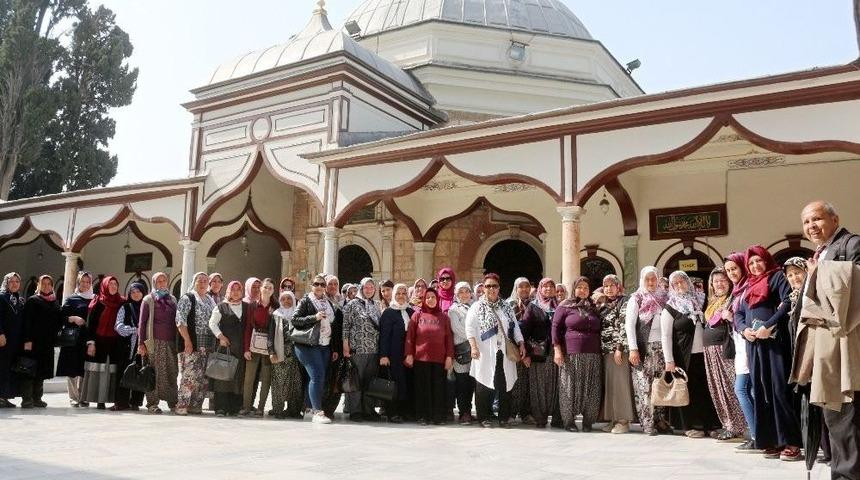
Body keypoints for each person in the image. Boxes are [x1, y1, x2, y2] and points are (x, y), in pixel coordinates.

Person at [790, 201, 860, 478]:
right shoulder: (822, 252)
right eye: (806, 222)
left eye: (817, 219)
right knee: (834, 416)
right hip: (826, 346)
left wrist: (818, 272)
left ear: (835, 219)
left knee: (845, 414)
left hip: (845, 345)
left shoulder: (851, 244)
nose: (811, 226)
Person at [735, 245, 802, 461]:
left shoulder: (776, 278)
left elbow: (787, 302)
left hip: (774, 343)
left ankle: (791, 442)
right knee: (761, 391)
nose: (755, 265)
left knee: (779, 390)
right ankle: (771, 440)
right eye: (751, 263)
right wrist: (743, 329)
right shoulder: (747, 285)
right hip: (754, 345)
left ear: (766, 260)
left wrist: (768, 325)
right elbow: (738, 313)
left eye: (759, 261)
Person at [661, 270, 720, 438]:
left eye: (682, 281)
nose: (680, 285)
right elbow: (666, 336)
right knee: (688, 391)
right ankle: (690, 425)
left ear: (688, 282)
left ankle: (711, 425)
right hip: (683, 357)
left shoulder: (700, 301)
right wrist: (669, 360)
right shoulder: (670, 307)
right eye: (676, 283)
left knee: (707, 390)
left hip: (705, 355)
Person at [466, 273, 526, 428]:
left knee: (505, 384)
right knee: (483, 383)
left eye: (494, 286)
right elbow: (470, 328)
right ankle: (484, 417)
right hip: (485, 352)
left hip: (504, 352)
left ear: (499, 288)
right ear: (483, 288)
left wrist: (521, 343)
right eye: (488, 286)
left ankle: (503, 418)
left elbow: (515, 327)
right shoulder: (477, 307)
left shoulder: (506, 306)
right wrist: (473, 347)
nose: (491, 289)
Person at [701, 267, 747, 442]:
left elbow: (739, 321)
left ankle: (737, 427)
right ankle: (728, 424)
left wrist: (730, 317)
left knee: (729, 387)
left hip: (724, 348)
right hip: (710, 350)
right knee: (717, 389)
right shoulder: (713, 302)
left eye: (723, 280)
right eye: (716, 281)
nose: (719, 284)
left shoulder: (733, 299)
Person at [625, 266, 671, 435]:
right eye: (647, 279)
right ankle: (647, 422)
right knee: (645, 386)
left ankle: (660, 420)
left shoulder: (665, 297)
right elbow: (629, 325)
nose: (651, 282)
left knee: (660, 384)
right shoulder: (636, 298)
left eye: (654, 279)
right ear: (642, 280)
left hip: (662, 348)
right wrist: (633, 348)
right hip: (643, 349)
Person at [553, 276, 602, 432]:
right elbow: (555, 327)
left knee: (592, 387)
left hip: (593, 354)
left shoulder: (594, 307)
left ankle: (588, 421)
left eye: (586, 288)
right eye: (579, 287)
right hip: (571, 354)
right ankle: (569, 421)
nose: (583, 290)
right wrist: (557, 349)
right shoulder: (565, 306)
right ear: (574, 289)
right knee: (569, 387)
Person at [723, 252, 759, 453]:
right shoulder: (737, 290)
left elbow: (745, 317)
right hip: (739, 345)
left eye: (734, 268)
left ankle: (756, 436)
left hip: (748, 344)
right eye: (728, 270)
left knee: (741, 389)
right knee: (749, 391)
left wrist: (731, 318)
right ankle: (757, 434)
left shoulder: (747, 288)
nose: (731, 273)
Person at [405, 288, 454, 425]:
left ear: (437, 299)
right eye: (428, 297)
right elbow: (410, 337)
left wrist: (449, 356)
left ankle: (438, 416)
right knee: (422, 388)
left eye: (433, 297)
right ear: (424, 300)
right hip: (421, 359)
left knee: (438, 388)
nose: (430, 300)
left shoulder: (444, 317)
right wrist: (409, 354)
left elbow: (449, 338)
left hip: (439, 359)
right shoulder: (417, 315)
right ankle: (422, 416)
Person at [292, 274, 335, 424]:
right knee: (317, 376)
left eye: (322, 285)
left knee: (315, 378)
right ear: (311, 286)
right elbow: (295, 320)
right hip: (307, 344)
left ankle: (309, 409)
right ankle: (317, 412)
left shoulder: (328, 303)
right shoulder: (306, 300)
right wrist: (314, 317)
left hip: (324, 344)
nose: (319, 287)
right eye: (316, 284)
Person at [596, 274, 634, 434]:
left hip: (618, 351)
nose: (609, 289)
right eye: (606, 286)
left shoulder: (624, 301)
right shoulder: (605, 305)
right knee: (611, 385)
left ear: (618, 287)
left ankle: (623, 420)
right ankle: (613, 418)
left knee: (620, 385)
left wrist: (619, 348)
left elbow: (624, 325)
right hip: (606, 351)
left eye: (612, 285)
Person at [175, 272, 217, 416]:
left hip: (208, 344)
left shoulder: (210, 300)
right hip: (192, 342)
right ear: (194, 282)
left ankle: (195, 405)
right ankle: (182, 405)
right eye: (200, 280)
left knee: (203, 377)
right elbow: (180, 321)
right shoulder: (188, 298)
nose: (203, 283)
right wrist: (187, 340)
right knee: (189, 375)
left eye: (206, 281)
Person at [138, 272, 178, 414]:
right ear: (154, 283)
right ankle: (152, 403)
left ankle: (173, 401)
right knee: (153, 372)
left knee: (171, 372)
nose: (162, 283)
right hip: (153, 343)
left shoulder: (172, 299)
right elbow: (142, 323)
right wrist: (141, 344)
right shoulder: (148, 299)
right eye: (158, 281)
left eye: (164, 280)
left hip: (170, 342)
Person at [521, 277, 559, 429]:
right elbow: (524, 331)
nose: (548, 289)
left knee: (555, 385)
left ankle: (556, 418)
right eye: (545, 286)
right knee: (539, 386)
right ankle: (540, 418)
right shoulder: (533, 307)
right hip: (538, 354)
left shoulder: (559, 306)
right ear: (540, 289)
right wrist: (526, 354)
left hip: (554, 353)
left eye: (551, 286)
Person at [343, 277, 382, 422]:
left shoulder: (376, 305)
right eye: (366, 287)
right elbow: (346, 326)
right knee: (355, 381)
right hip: (357, 349)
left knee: (370, 381)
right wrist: (345, 346)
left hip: (373, 349)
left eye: (372, 287)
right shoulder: (352, 304)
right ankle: (355, 411)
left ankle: (368, 410)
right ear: (361, 288)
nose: (369, 289)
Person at [83, 276, 125, 409]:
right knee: (98, 370)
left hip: (116, 342)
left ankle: (113, 398)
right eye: (110, 284)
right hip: (99, 341)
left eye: (115, 284)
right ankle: (99, 400)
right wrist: (91, 343)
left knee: (114, 371)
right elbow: (91, 324)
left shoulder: (122, 302)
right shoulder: (98, 302)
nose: (113, 286)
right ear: (105, 286)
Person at [19, 275, 61, 409]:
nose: (46, 286)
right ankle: (27, 399)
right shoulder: (33, 300)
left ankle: (37, 398)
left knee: (41, 371)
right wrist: (27, 340)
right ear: (38, 285)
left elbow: (58, 319)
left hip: (47, 343)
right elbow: (27, 322)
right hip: (33, 342)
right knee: (29, 370)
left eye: (49, 284)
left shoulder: (54, 302)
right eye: (43, 283)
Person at [209, 281, 248, 417]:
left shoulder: (246, 306)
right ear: (228, 291)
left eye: (238, 289)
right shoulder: (221, 307)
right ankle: (221, 407)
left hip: (241, 349)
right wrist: (221, 336)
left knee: (238, 378)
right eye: (233, 289)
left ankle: (235, 408)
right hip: (226, 348)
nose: (235, 292)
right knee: (223, 377)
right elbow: (212, 323)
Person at [56, 271, 93, 407]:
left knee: (84, 368)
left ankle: (83, 396)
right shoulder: (72, 299)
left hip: (88, 338)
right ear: (78, 282)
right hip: (73, 338)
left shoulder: (94, 299)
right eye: (83, 281)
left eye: (88, 282)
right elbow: (60, 317)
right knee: (72, 367)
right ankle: (73, 397)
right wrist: (73, 318)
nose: (85, 284)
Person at [379, 283, 413, 423]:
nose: (401, 296)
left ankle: (404, 411)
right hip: (393, 354)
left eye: (404, 293)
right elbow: (384, 335)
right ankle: (392, 412)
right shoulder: (388, 312)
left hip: (408, 353)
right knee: (394, 383)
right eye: (398, 293)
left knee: (407, 381)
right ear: (394, 295)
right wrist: (383, 355)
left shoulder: (410, 312)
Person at [268, 290, 304, 419]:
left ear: (293, 300)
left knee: (296, 382)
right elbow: (270, 335)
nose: (286, 301)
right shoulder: (276, 315)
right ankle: (278, 409)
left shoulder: (298, 315)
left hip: (296, 354)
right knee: (279, 382)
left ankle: (294, 410)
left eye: (289, 299)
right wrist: (271, 351)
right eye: (283, 299)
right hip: (280, 352)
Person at [242, 277, 273, 417]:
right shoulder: (253, 306)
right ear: (261, 288)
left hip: (268, 347)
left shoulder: (275, 306)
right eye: (265, 287)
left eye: (270, 288)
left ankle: (261, 408)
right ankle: (246, 407)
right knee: (249, 378)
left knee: (266, 379)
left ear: (273, 291)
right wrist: (246, 349)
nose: (267, 290)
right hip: (254, 345)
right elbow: (248, 327)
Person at [446, 281, 475, 425]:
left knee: (471, 383)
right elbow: (456, 328)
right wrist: (474, 338)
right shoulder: (453, 310)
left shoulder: (475, 307)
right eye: (461, 292)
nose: (464, 294)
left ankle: (469, 411)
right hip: (462, 350)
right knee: (462, 383)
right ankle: (463, 412)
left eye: (466, 291)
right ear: (456, 294)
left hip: (475, 350)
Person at [114, 282, 146, 410]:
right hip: (127, 347)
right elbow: (118, 326)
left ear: (143, 292)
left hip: (143, 346)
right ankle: (122, 402)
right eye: (133, 292)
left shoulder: (147, 306)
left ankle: (136, 402)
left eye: (138, 291)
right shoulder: (125, 307)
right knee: (124, 373)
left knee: (140, 372)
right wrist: (134, 330)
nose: (136, 294)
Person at [507, 276, 533, 425]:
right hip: (514, 350)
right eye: (520, 287)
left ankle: (526, 413)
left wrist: (528, 351)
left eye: (526, 286)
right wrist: (520, 351)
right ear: (515, 289)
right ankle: (511, 413)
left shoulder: (534, 305)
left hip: (530, 350)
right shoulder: (509, 306)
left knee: (528, 383)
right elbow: (509, 330)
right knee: (514, 382)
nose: (524, 289)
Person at [321, 274, 344, 420]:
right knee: (326, 377)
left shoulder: (341, 302)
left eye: (336, 284)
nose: (333, 286)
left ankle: (331, 408)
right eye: (330, 284)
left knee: (337, 378)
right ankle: (322, 407)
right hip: (326, 345)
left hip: (340, 345)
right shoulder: (322, 302)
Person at [0, 273, 24, 407]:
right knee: (2, 367)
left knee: (10, 368)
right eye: (11, 281)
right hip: (3, 339)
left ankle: (4, 396)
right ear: (6, 283)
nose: (14, 284)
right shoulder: (1, 297)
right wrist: (0, 334)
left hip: (15, 340)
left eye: (17, 281)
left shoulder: (19, 300)